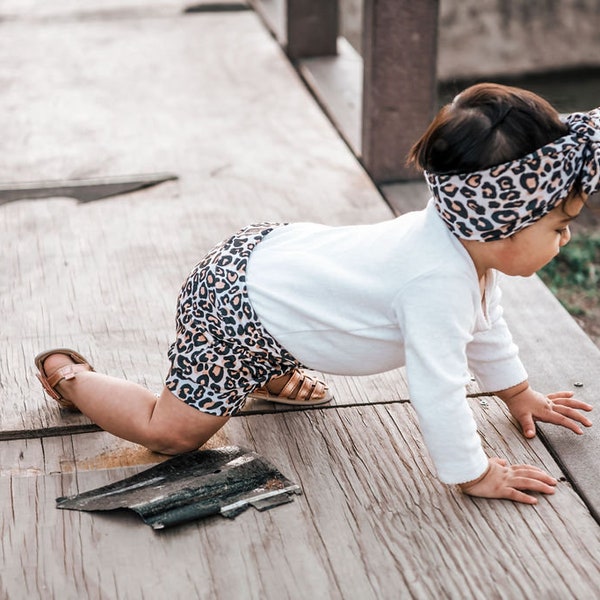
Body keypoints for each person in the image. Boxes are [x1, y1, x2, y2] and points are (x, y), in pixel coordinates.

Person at [35, 83, 600, 505]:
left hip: (280, 275)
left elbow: (487, 324)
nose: (566, 236)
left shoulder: (460, 244)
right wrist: (473, 472)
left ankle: (267, 367)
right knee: (172, 434)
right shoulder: (436, 284)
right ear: (497, 221)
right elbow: (439, 390)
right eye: (557, 225)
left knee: (311, 314)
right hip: (234, 310)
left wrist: (517, 393)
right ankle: (71, 375)